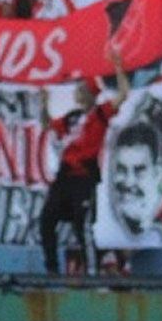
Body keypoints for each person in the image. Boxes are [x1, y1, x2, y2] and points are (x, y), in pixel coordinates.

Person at [38, 49, 128, 275]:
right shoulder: (71, 117)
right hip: (64, 177)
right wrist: (43, 103)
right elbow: (47, 125)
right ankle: (51, 270)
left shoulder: (100, 114)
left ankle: (91, 273)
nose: (78, 91)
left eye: (82, 88)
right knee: (47, 220)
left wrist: (118, 68)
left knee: (83, 227)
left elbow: (123, 93)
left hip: (84, 179)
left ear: (91, 93)